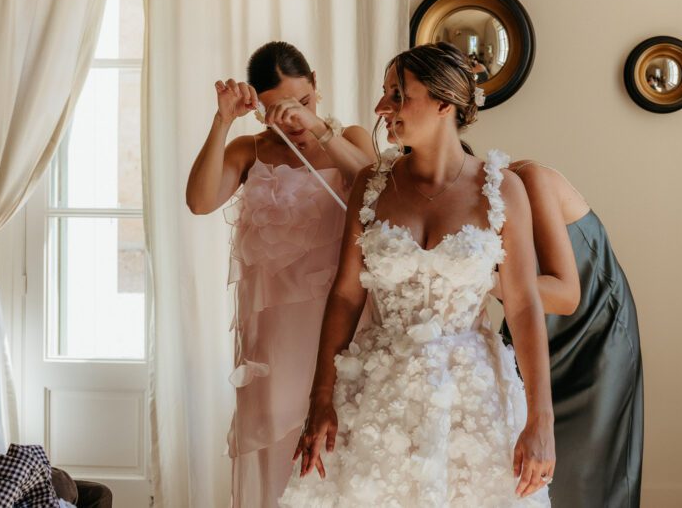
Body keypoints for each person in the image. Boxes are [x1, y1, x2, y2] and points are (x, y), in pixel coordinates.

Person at [279, 42, 555, 507]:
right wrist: (320, 397)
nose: (381, 108)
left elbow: (524, 305)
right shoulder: (371, 184)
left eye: (398, 95)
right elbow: (345, 296)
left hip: (473, 400)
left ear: (444, 103)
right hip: (378, 394)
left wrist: (541, 420)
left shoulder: (502, 189)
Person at [184, 41, 375, 508]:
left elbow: (379, 187)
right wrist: (222, 121)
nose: (292, 120)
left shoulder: (352, 137)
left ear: (316, 87)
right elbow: (200, 201)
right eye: (276, 111)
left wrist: (321, 131)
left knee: (346, 441)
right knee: (278, 441)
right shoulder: (249, 150)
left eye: (302, 103)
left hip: (344, 320)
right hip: (275, 335)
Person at [494, 160, 644, 508]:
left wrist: (479, 278)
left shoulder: (529, 179)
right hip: (533, 336)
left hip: (597, 333)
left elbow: (564, 295)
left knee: (590, 469)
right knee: (519, 469)